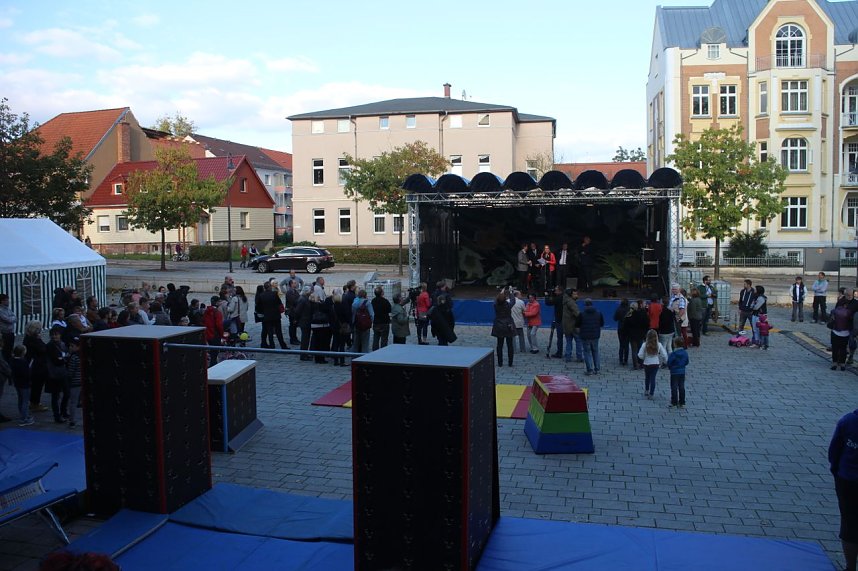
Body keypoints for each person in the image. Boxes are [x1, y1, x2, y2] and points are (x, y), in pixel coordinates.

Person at [829, 408, 858, 571]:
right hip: (846, 477)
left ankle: (850, 566)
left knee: (849, 523)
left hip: (847, 479)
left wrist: (836, 470)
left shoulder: (848, 421)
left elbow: (835, 450)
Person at [45, 326, 70, 424]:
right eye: (53, 335)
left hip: (63, 372)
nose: (55, 336)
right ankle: (57, 415)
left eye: (56, 334)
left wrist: (63, 358)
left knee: (66, 393)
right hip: (54, 374)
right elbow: (56, 361)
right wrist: (64, 358)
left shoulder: (62, 344)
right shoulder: (50, 346)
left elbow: (65, 356)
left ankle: (63, 411)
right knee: (55, 396)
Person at [24, 320, 48, 413]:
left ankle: (34, 402)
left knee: (36, 385)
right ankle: (35, 403)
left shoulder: (28, 338)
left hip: (36, 364)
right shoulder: (33, 340)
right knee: (37, 385)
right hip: (37, 365)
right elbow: (42, 349)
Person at [638, 329, 668, 399]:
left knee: (647, 377)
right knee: (653, 378)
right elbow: (664, 354)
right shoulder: (659, 345)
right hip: (655, 363)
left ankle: (646, 390)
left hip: (646, 363)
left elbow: (640, 355)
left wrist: (644, 357)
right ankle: (651, 393)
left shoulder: (644, 344)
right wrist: (665, 361)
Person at [578, 298, 604, 375]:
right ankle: (597, 369)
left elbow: (577, 324)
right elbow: (602, 324)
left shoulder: (582, 314)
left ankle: (589, 369)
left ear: (585, 305)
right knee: (595, 351)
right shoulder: (599, 313)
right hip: (595, 335)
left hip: (585, 336)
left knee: (587, 352)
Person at [259, 283, 289, 350]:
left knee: (270, 332)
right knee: (279, 331)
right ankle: (283, 345)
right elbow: (279, 303)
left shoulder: (261, 295)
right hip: (276, 315)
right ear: (270, 287)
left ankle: (272, 345)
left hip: (267, 316)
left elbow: (259, 307)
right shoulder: (274, 294)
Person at [491, 289, 515, 367]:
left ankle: (500, 363)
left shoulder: (496, 305)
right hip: (508, 325)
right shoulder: (508, 305)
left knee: (499, 345)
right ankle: (510, 362)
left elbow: (496, 300)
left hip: (499, 325)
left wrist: (501, 292)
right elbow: (513, 300)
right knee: (510, 345)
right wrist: (511, 292)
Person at [11, 345, 33, 426]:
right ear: (23, 353)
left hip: (17, 383)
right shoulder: (23, 362)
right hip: (25, 384)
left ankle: (23, 414)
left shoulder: (13, 360)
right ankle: (24, 418)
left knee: (21, 399)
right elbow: (26, 374)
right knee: (25, 401)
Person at [308, 293, 333, 364]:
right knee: (322, 342)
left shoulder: (311, 305)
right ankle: (321, 358)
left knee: (316, 342)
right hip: (321, 325)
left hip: (314, 325)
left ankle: (317, 358)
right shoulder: (321, 305)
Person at [627, 300, 650, 370]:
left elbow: (626, 325)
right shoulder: (643, 314)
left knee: (634, 350)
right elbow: (647, 323)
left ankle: (635, 365)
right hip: (641, 334)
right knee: (640, 349)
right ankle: (641, 363)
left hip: (632, 335)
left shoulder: (630, 315)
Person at [666, 337, 689, 408]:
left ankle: (674, 402)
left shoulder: (673, 354)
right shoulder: (685, 353)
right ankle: (682, 402)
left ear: (675, 344)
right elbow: (687, 361)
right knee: (681, 387)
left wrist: (670, 367)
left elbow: (669, 362)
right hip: (682, 372)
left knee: (674, 387)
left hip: (674, 372)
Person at [332, 289, 352, 366]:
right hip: (342, 327)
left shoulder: (333, 306)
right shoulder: (343, 306)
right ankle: (342, 361)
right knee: (342, 345)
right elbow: (347, 316)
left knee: (336, 344)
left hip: (335, 327)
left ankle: (336, 361)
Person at [203, 296, 225, 364]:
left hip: (208, 334)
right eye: (220, 301)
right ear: (217, 302)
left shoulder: (206, 311)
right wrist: (222, 335)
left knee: (212, 351)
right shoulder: (217, 312)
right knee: (215, 353)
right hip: (215, 335)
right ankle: (213, 366)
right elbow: (219, 325)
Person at [351, 289, 374, 353]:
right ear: (365, 295)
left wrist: (353, 322)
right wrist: (370, 323)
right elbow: (372, 314)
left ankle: (354, 358)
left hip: (356, 325)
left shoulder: (354, 303)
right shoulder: (367, 303)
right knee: (365, 344)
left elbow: (353, 314)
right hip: (365, 326)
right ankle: (363, 359)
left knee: (355, 343)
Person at [832, 298, 852, 371]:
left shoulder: (835, 311)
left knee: (835, 348)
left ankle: (834, 363)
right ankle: (842, 364)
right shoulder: (849, 312)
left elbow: (832, 319)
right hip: (845, 333)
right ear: (846, 305)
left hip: (835, 331)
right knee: (843, 348)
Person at [66, 337, 81, 428]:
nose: (70, 348)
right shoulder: (81, 355)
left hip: (74, 382)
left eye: (72, 346)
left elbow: (70, 372)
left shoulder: (74, 357)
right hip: (81, 381)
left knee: (73, 402)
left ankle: (72, 421)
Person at [545, 285, 564, 358]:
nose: (554, 291)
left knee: (560, 337)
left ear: (560, 291)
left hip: (559, 319)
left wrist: (546, 296)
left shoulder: (559, 298)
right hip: (564, 319)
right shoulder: (564, 297)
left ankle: (559, 353)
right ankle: (568, 353)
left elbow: (548, 303)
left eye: (556, 290)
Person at [668, 283, 688, 348]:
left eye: (675, 289)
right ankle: (673, 345)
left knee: (677, 333)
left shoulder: (681, 299)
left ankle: (679, 346)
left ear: (679, 290)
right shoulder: (672, 297)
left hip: (677, 319)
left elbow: (682, 310)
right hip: (672, 317)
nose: (673, 290)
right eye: (673, 289)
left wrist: (678, 317)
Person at [613, 298, 631, 366]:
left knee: (621, 344)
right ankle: (625, 360)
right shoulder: (629, 310)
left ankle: (621, 360)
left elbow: (615, 318)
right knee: (626, 345)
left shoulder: (619, 309)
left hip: (620, 328)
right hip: (628, 328)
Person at [0, 293, 16, 364]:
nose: (8, 301)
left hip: (11, 332)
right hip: (4, 333)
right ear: (2, 301)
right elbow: (8, 320)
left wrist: (12, 318)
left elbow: (15, 318)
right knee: (5, 351)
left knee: (10, 349)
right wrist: (12, 318)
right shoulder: (0, 310)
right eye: (6, 300)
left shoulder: (8, 309)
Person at [511, 289, 529, 354]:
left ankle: (513, 349)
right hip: (519, 321)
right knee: (521, 336)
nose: (521, 295)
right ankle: (522, 349)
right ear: (517, 295)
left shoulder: (508, 301)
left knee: (512, 337)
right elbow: (525, 311)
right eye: (520, 294)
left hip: (511, 322)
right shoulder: (521, 302)